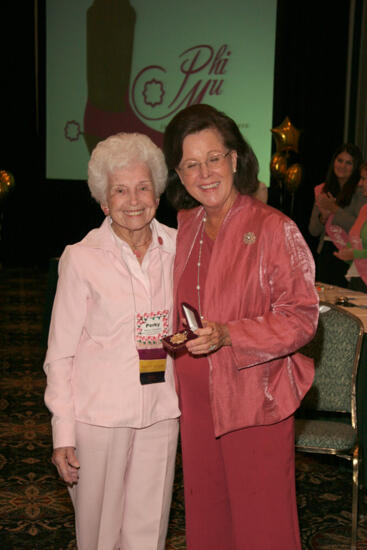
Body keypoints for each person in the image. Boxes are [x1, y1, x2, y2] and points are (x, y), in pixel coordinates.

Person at [162, 104, 319, 550]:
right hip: (196, 403)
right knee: (208, 520)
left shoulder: (272, 227)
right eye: (191, 164)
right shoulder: (186, 226)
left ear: (234, 159)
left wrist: (231, 334)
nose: (204, 172)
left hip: (253, 401)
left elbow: (301, 315)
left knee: (261, 528)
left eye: (213, 158)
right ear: (179, 171)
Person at [43, 132, 180, 550]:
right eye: (120, 190)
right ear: (104, 201)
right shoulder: (81, 258)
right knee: (100, 536)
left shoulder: (180, 248)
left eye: (142, 187)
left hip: (161, 415)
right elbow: (60, 355)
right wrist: (62, 433)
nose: (133, 199)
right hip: (97, 420)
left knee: (147, 534)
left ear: (157, 193)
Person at [308, 143, 364, 287]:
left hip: (349, 255)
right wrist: (324, 217)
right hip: (326, 253)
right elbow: (313, 231)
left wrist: (334, 209)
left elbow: (359, 226)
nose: (342, 166)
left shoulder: (361, 192)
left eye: (348, 163)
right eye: (340, 160)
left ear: (355, 167)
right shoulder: (322, 190)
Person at [332, 161, 367, 292]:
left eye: (364, 179)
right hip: (357, 277)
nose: (359, 183)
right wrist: (346, 252)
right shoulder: (364, 209)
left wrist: (354, 253)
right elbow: (356, 240)